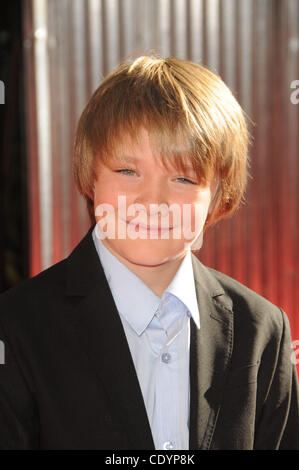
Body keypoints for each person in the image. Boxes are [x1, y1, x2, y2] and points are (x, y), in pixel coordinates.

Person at [0, 55, 298, 450]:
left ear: (217, 195)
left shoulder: (261, 330)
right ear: (91, 174)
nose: (152, 201)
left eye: (183, 177)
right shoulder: (17, 327)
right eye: (128, 171)